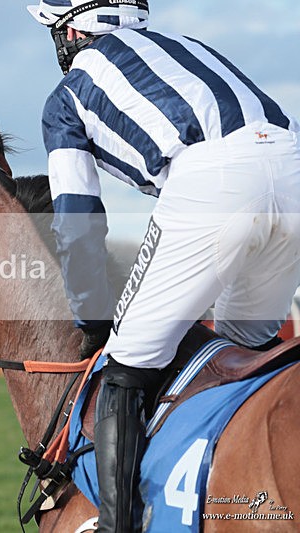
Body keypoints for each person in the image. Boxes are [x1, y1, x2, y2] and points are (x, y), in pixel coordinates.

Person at [27, 0, 300, 531]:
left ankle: (117, 524)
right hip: (294, 167)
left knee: (124, 366)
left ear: (71, 32)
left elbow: (77, 220)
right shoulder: (190, 48)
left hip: (212, 180)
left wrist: (91, 318)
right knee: (243, 355)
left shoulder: (65, 98)